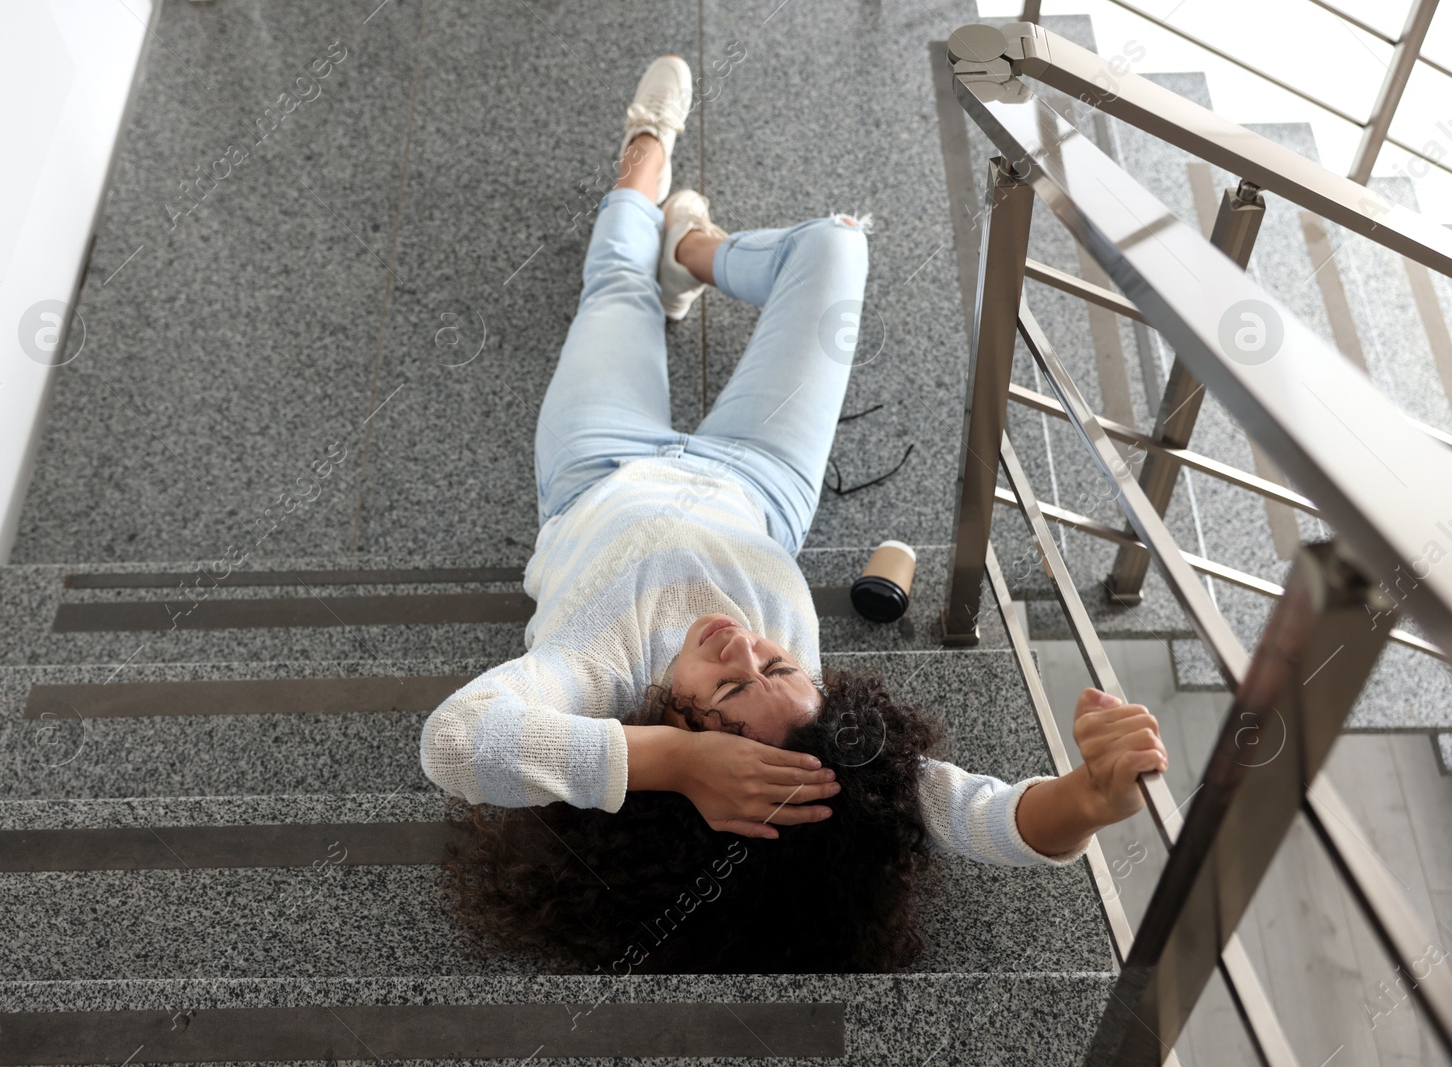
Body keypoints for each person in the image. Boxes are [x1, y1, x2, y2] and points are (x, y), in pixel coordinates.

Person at [420, 56, 1167, 972]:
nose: (740, 641)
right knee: (836, 246)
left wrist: (674, 763)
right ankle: (694, 252)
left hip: (595, 471)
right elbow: (976, 811)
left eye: (725, 689)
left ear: (672, 738)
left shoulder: (594, 672)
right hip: (757, 483)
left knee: (614, 289)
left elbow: (456, 740)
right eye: (774, 662)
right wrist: (1089, 799)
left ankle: (642, 157)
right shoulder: (820, 741)